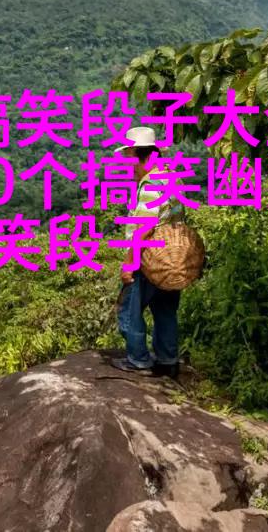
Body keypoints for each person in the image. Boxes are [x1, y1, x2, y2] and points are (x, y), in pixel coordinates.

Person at [111, 126, 182, 379]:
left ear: (134, 154)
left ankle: (138, 360)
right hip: (172, 260)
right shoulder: (171, 178)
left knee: (128, 310)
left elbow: (143, 228)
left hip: (148, 260)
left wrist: (129, 264)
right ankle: (167, 360)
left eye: (127, 156)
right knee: (165, 310)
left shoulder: (151, 184)